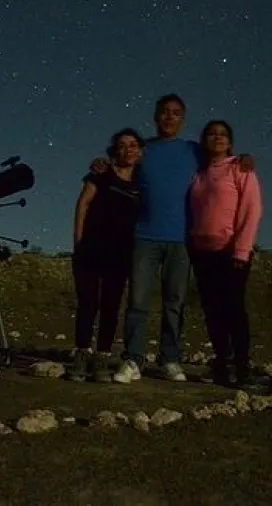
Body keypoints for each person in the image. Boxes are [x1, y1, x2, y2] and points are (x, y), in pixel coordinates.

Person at [90, 94, 255, 384]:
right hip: (144, 237)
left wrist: (244, 158)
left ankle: (170, 358)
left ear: (183, 118)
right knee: (138, 301)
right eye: (164, 112)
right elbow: (121, 162)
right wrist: (102, 164)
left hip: (181, 240)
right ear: (156, 116)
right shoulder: (144, 150)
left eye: (176, 113)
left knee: (174, 302)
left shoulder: (194, 151)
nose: (169, 117)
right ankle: (132, 359)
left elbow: (223, 159)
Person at [187, 120, 264, 388]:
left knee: (233, 309)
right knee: (212, 311)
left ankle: (242, 367)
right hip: (202, 253)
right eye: (211, 134)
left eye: (223, 135)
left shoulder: (240, 169)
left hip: (231, 251)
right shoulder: (199, 174)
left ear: (230, 142)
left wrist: (242, 251)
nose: (217, 138)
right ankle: (222, 362)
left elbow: (251, 210)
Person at [68, 128, 144, 382]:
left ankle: (102, 355)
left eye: (133, 145)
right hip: (92, 246)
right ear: (115, 151)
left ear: (140, 150)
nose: (128, 149)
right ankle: (81, 353)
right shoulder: (101, 174)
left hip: (121, 252)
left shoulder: (142, 182)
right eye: (122, 145)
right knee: (88, 301)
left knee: (111, 305)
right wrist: (78, 241)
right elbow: (83, 203)